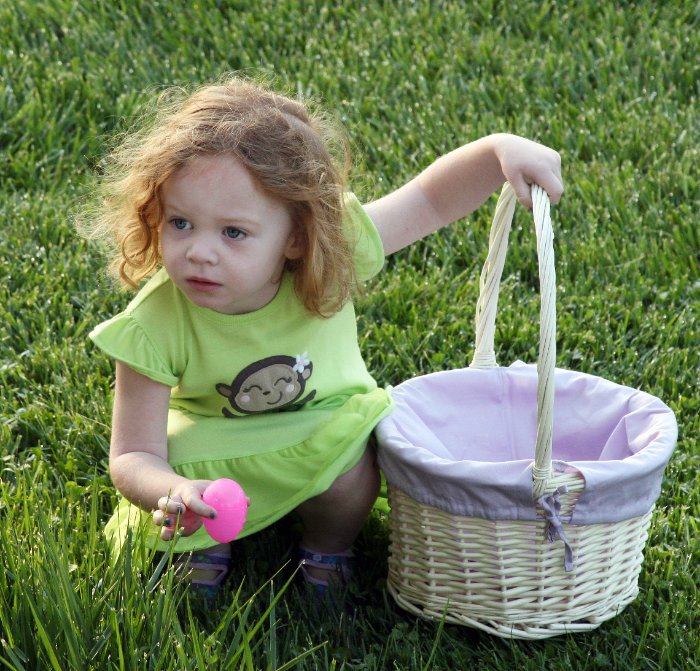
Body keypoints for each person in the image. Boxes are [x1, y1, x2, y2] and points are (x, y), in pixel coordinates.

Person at [83, 75, 563, 593]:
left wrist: (498, 152)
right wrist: (172, 489)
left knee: (350, 467)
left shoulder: (329, 255)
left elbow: (428, 202)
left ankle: (328, 549)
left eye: (233, 232)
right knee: (186, 475)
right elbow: (134, 454)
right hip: (211, 444)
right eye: (180, 223)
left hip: (319, 428)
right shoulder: (153, 321)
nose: (200, 251)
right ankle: (204, 542)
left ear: (295, 237)